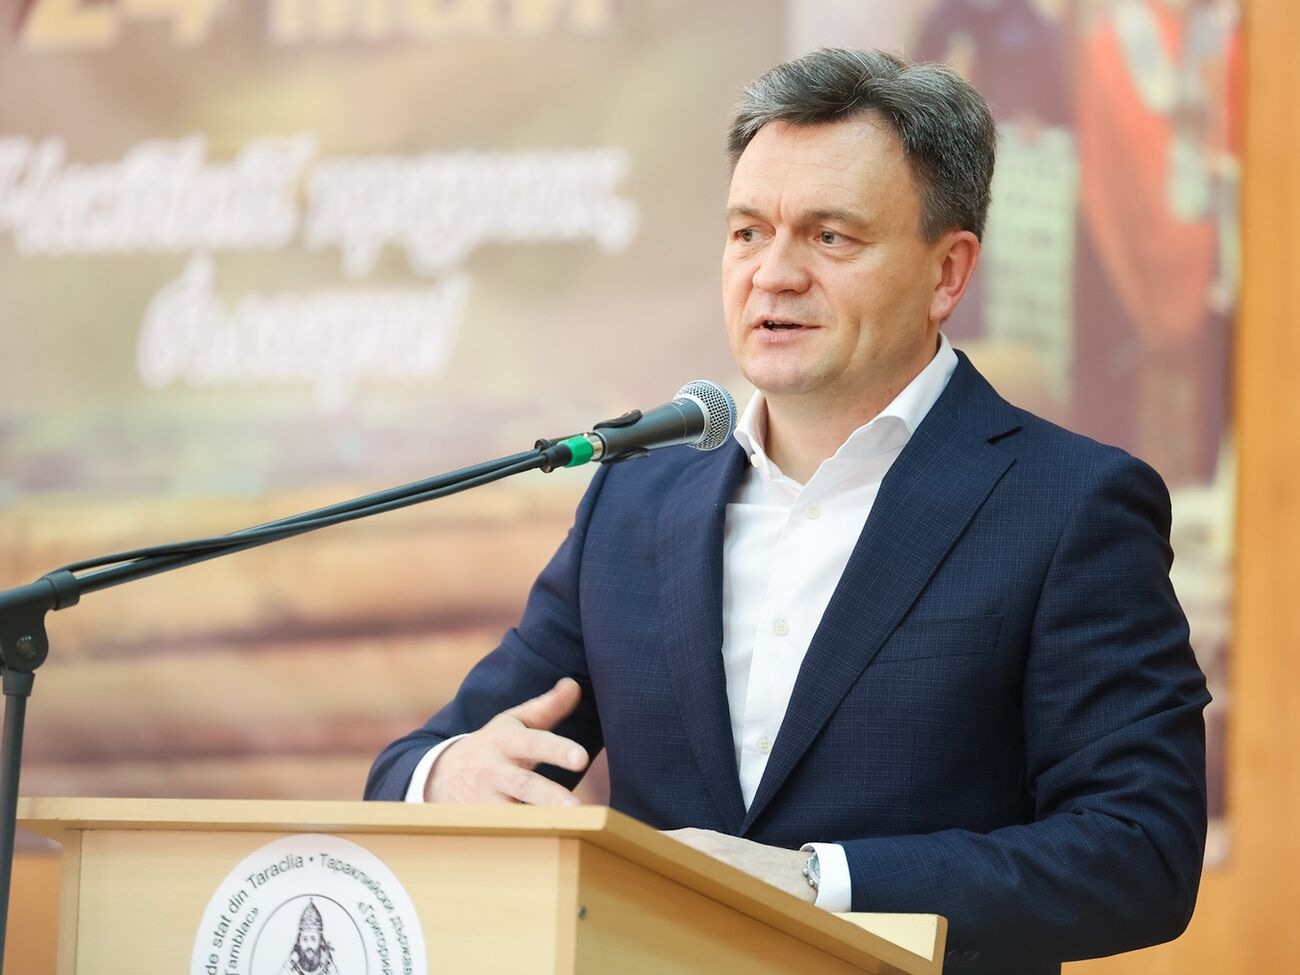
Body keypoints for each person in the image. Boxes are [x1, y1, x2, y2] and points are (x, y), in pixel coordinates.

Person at [366, 48, 1209, 974]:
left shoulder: (1069, 504)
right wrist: (446, 775)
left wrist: (816, 881)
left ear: (948, 272)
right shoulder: (635, 499)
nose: (773, 274)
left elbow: (1140, 850)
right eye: (747, 233)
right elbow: (421, 760)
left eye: (830, 237)